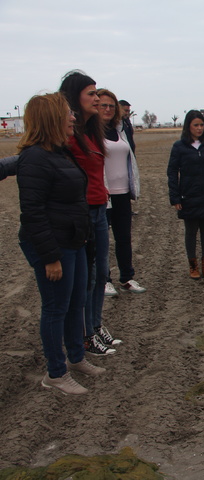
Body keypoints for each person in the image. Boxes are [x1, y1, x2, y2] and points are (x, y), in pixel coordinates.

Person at [17, 92, 106, 395]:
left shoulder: (57, 152)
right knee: (56, 308)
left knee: (76, 302)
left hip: (73, 240)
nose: (72, 118)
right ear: (52, 118)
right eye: (68, 113)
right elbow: (33, 214)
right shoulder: (35, 158)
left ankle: (77, 358)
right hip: (54, 245)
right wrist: (50, 257)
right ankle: (56, 372)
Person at [59, 70, 117, 355]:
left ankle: (95, 326)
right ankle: (84, 335)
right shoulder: (68, 134)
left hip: (99, 209)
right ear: (74, 97)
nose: (97, 98)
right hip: (81, 213)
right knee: (88, 278)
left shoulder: (93, 130)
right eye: (91, 94)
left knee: (101, 275)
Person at [167, 110, 204, 280]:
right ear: (188, 127)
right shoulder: (179, 147)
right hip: (189, 195)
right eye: (196, 125)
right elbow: (172, 173)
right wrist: (175, 197)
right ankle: (193, 266)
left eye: (201, 125)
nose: (199, 128)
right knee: (191, 231)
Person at [97, 88, 145, 297]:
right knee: (102, 239)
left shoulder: (120, 130)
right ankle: (104, 280)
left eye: (111, 106)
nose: (107, 109)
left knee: (123, 237)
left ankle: (126, 278)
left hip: (122, 192)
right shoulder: (90, 133)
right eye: (103, 105)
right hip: (102, 194)